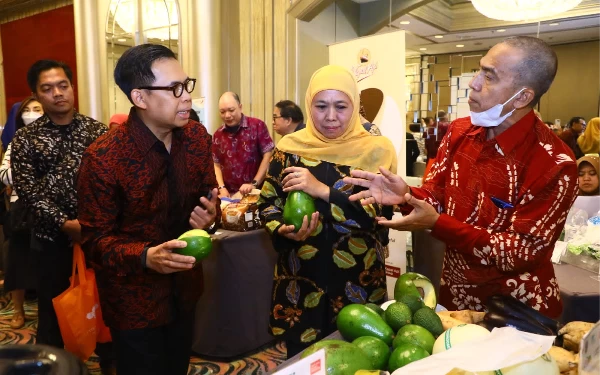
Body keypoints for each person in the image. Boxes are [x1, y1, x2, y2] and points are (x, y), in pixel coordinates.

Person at [344, 36, 579, 318]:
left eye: (489, 76)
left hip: (518, 312)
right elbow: (438, 196)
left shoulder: (554, 162)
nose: (474, 83)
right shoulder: (459, 132)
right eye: (480, 70)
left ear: (523, 97)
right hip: (455, 302)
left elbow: (519, 252)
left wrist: (437, 223)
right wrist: (406, 195)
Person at [77, 44, 219, 375]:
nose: (187, 97)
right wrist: (146, 256)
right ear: (139, 98)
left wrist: (210, 218)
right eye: (174, 89)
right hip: (134, 301)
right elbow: (94, 240)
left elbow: (208, 198)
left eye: (187, 85)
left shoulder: (197, 138)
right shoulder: (104, 157)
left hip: (185, 289)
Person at [259, 65, 397, 357]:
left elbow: (380, 213)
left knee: (360, 357)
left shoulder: (375, 149)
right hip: (301, 276)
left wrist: (323, 190)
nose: (331, 117)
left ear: (355, 106)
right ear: (309, 106)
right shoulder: (289, 149)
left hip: (358, 278)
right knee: (303, 359)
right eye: (321, 106)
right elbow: (268, 204)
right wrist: (282, 232)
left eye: (341, 106)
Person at [10, 60, 107, 347]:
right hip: (50, 239)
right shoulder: (25, 138)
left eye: (63, 85)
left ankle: (109, 363)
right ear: (37, 95)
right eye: (48, 88)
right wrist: (65, 224)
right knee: (52, 312)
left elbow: (111, 181)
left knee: (103, 307)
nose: (57, 93)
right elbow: (27, 189)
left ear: (72, 88)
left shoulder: (97, 131)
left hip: (96, 237)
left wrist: (90, 224)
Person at [0, 97, 43, 329]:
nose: (31, 113)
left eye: (37, 109)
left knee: (47, 263)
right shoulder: (16, 140)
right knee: (17, 260)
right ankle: (17, 310)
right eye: (27, 110)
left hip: (50, 209)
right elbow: (4, 174)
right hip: (20, 207)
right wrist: (32, 174)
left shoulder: (52, 138)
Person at [213, 92, 274, 197]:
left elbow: (268, 155)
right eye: (222, 112)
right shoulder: (218, 134)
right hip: (229, 196)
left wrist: (254, 183)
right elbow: (216, 164)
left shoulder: (257, 126)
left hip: (255, 192)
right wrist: (221, 188)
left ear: (240, 107)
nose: (227, 115)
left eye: (231, 110)